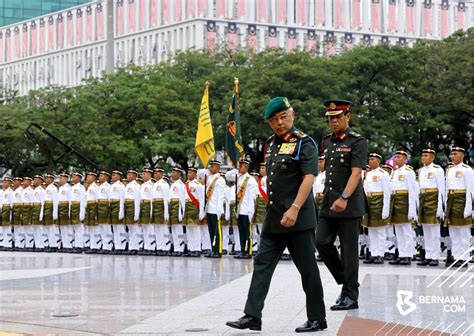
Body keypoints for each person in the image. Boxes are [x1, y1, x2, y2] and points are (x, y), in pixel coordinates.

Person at [226, 97, 326, 333]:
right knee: (262, 263)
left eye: (283, 117)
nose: (279, 123)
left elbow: (308, 178)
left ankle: (317, 318)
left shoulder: (305, 143)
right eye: (274, 120)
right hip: (274, 216)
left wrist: (295, 208)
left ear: (292, 116)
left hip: (297, 217)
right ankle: (252, 315)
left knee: (307, 268)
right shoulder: (270, 144)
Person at [315, 99, 367, 311]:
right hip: (329, 201)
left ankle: (350, 295)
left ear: (347, 116)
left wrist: (344, 197)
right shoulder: (327, 141)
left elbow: (356, 173)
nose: (333, 121)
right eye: (330, 118)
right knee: (321, 242)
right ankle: (347, 282)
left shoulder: (357, 142)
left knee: (348, 250)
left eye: (338, 117)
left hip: (349, 203)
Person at [388, 151, 418, 266]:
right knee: (399, 231)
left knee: (406, 231)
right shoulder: (394, 173)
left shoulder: (408, 172)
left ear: (405, 159)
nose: (396, 159)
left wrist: (412, 209)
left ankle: (408, 255)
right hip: (396, 201)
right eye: (395, 157)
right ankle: (401, 254)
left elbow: (412, 191)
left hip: (405, 201)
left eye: (399, 157)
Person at [417, 149, 445, 267]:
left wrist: (440, 207)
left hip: (433, 199)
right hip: (423, 198)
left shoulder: (437, 170)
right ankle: (428, 255)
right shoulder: (421, 171)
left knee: (434, 231)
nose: (423, 157)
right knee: (426, 230)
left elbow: (441, 189)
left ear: (432, 158)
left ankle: (435, 256)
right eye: (422, 155)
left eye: (426, 155)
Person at [445, 146, 473, 267]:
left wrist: (469, 207)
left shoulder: (467, 170)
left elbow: (470, 190)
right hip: (451, 200)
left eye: (455, 154)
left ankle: (464, 258)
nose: (453, 156)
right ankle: (456, 257)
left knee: (464, 232)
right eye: (452, 154)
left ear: (462, 155)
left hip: (462, 200)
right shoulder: (450, 170)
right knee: (453, 231)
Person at [225, 159, 258, 259]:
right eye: (239, 166)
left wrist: (250, 212)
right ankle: (242, 250)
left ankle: (248, 252)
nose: (239, 168)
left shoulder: (251, 180)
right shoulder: (238, 178)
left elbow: (252, 197)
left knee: (247, 232)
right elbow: (227, 176)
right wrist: (235, 169)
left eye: (241, 166)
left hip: (247, 210)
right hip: (239, 210)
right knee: (241, 232)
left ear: (246, 167)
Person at [363, 153, 391, 265]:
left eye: (372, 159)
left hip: (379, 201)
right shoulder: (368, 174)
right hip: (369, 201)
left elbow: (387, 192)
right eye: (369, 159)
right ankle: (373, 253)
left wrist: (385, 209)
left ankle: (380, 254)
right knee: (371, 230)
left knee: (380, 231)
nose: (370, 161)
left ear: (378, 161)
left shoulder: (383, 174)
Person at [184, 167, 205, 257]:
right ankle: (191, 248)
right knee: (189, 229)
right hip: (187, 207)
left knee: (196, 229)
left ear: (195, 174)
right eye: (188, 172)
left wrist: (201, 211)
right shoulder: (186, 185)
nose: (189, 174)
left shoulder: (198, 185)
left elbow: (202, 199)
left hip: (194, 207)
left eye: (191, 172)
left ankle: (196, 249)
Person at [152, 167, 170, 256]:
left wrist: (166, 212)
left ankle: (166, 247)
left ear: (161, 174)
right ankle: (159, 247)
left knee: (163, 228)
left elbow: (166, 199)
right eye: (154, 173)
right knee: (157, 228)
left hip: (162, 206)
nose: (155, 174)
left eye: (157, 173)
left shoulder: (164, 184)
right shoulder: (155, 184)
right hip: (155, 206)